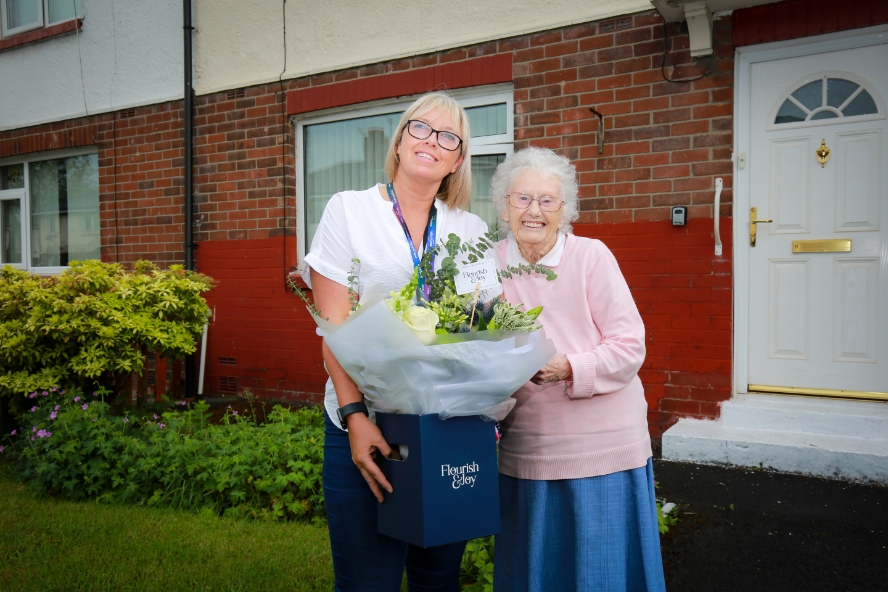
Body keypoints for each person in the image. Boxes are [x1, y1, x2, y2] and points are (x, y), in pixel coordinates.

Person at [303, 91, 494, 592]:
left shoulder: (470, 228)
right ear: (402, 138)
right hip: (366, 425)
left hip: (447, 425)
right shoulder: (349, 210)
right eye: (420, 127)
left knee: (439, 579)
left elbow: (481, 329)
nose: (431, 140)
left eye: (448, 136)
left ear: (457, 159)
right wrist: (355, 417)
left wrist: (484, 410)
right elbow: (333, 326)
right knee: (369, 581)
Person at [489, 147, 666, 592]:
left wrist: (567, 366)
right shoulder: (486, 265)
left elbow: (629, 346)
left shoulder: (591, 256)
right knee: (538, 571)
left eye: (548, 200)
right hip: (529, 444)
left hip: (603, 445)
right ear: (503, 205)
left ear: (565, 209)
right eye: (522, 198)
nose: (534, 211)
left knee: (601, 572)